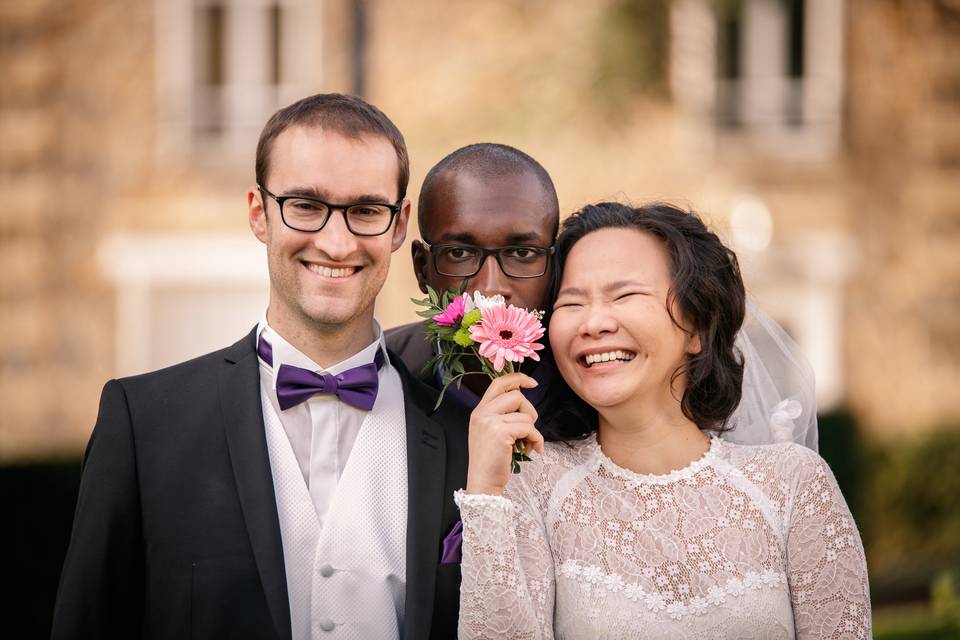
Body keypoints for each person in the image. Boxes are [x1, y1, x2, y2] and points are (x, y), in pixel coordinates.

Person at [51, 94, 469, 640]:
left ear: (398, 226)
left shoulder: (461, 438)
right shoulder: (143, 423)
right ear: (258, 213)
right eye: (305, 205)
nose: (336, 242)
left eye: (366, 210)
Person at [456, 202, 871, 638]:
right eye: (572, 302)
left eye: (624, 295)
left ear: (697, 328)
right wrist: (485, 495)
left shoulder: (793, 485)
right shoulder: (532, 485)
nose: (594, 322)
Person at [386, 143, 559, 408]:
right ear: (422, 268)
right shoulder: (381, 376)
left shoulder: (592, 377)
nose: (491, 288)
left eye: (522, 253)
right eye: (459, 254)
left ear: (555, 264)